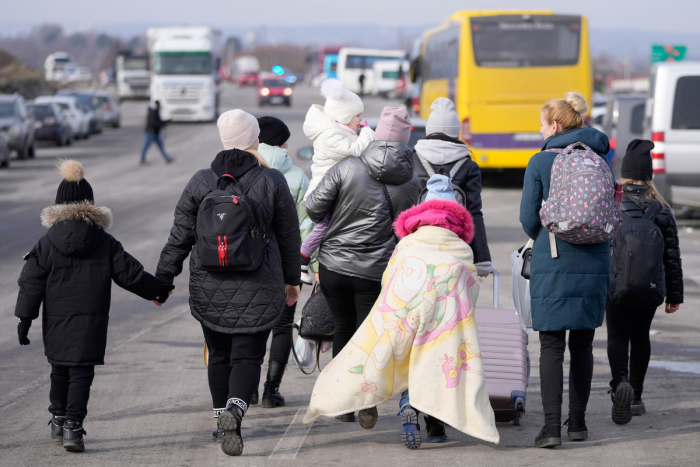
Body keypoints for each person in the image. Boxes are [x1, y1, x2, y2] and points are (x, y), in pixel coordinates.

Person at [303, 175, 500, 450]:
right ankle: (436, 427)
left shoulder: (407, 244)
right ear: (455, 215)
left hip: (406, 312)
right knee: (436, 361)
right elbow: (471, 287)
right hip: (443, 316)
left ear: (422, 212)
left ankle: (407, 406)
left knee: (406, 357)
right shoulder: (461, 247)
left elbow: (388, 280)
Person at [155, 110, 301, 457]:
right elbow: (289, 236)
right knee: (248, 356)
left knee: (219, 354)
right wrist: (292, 280)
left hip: (209, 283)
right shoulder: (273, 180)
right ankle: (236, 410)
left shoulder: (201, 181)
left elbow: (179, 235)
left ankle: (220, 417)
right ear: (255, 139)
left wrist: (163, 278)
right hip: (260, 282)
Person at [14, 159, 172, 453]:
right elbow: (130, 274)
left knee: (59, 369)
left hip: (57, 321)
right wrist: (159, 291)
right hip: (91, 323)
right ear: (91, 204)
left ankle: (58, 420)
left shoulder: (47, 243)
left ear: (58, 206)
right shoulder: (104, 241)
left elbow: (31, 281)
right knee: (81, 373)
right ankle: (74, 426)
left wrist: (25, 318)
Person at [305, 106, 418, 424]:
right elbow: (410, 227)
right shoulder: (412, 181)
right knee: (369, 334)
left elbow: (314, 209)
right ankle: (366, 397)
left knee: (342, 328)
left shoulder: (347, 167)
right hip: (376, 271)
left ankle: (342, 402)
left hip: (334, 267)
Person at [519, 92, 612, 448]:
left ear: (555, 125)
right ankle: (579, 424)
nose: (539, 129)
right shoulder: (599, 158)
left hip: (554, 258)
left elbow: (529, 220)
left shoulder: (541, 161)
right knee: (584, 345)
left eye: (542, 123)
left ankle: (551, 428)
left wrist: (549, 231)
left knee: (552, 345)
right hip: (595, 257)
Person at [606, 139, 683, 424]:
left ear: (624, 173)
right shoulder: (661, 209)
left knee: (617, 336)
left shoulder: (613, 204)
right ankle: (636, 397)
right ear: (649, 176)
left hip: (616, 286)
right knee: (640, 337)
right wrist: (675, 295)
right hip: (651, 287)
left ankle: (620, 384)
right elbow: (672, 257)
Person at [255, 116, 314, 408]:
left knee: (251, 327)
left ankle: (247, 388)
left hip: (250, 264)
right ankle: (271, 390)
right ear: (282, 142)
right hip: (285, 265)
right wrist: (308, 267)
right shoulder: (297, 176)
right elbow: (306, 227)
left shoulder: (245, 170)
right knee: (281, 326)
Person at [300, 78, 374, 283]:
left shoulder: (338, 133)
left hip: (331, 190)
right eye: (358, 116)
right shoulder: (331, 135)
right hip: (323, 192)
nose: (360, 120)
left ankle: (308, 261)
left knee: (329, 227)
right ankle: (302, 257)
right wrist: (368, 132)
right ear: (346, 116)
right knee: (324, 226)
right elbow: (353, 152)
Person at [413, 97, 492, 278]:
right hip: (455, 246)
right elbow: (474, 213)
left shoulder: (413, 159)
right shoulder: (468, 165)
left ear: (429, 131)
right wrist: (482, 260)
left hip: (418, 245)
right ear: (456, 133)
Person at [140, 100, 173, 164]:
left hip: (155, 132)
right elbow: (155, 123)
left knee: (160, 146)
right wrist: (164, 124)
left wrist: (165, 122)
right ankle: (142, 160)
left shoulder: (153, 111)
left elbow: (158, 121)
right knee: (146, 146)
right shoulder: (153, 112)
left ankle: (167, 159)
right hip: (151, 132)